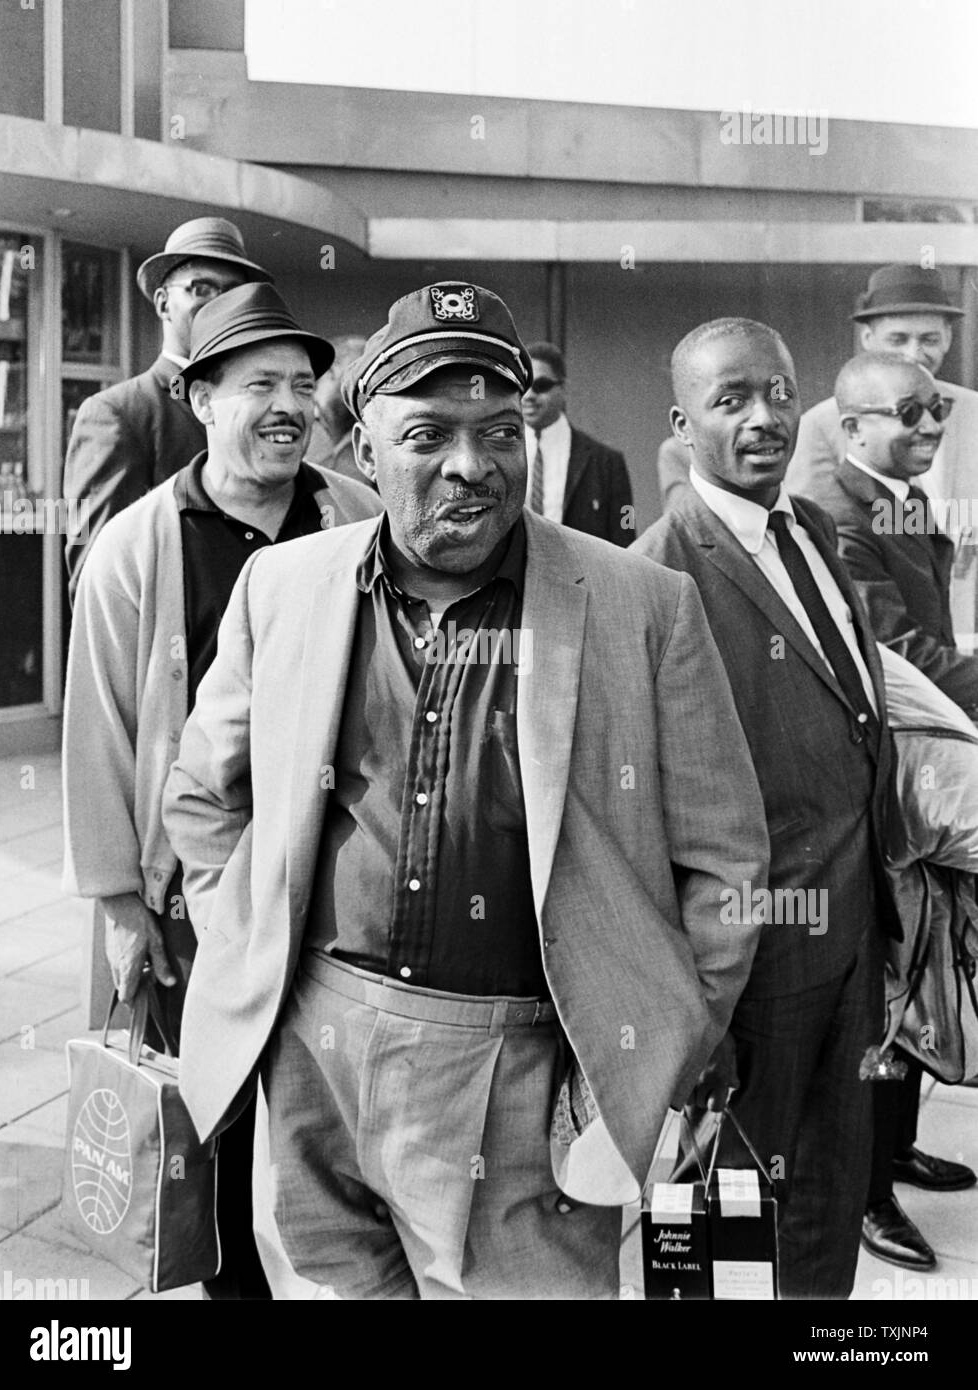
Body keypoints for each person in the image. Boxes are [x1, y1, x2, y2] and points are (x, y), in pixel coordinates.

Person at [162, 281, 769, 1300]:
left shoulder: (642, 604)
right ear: (362, 451)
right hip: (314, 1049)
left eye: (501, 430)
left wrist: (653, 1043)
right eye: (429, 434)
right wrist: (252, 946)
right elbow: (204, 795)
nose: (471, 465)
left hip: (527, 1067)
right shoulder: (284, 587)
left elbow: (726, 862)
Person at [61, 283, 383, 1300]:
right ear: (198, 396)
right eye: (257, 385)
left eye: (301, 383)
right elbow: (99, 731)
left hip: (337, 880)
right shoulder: (136, 546)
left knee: (328, 1119)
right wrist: (119, 903)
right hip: (197, 895)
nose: (286, 404)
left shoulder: (357, 516)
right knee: (222, 1125)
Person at [636, 317, 900, 1300]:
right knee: (710, 1216)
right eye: (730, 399)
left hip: (846, 934)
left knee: (827, 1197)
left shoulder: (813, 529)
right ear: (681, 421)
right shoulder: (662, 568)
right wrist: (688, 992)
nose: (764, 418)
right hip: (746, 957)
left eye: (779, 393)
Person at [802, 350, 977, 1270]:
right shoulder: (837, 508)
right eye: (906, 413)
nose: (927, 428)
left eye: (935, 412)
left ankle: (895, 1150)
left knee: (923, 961)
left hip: (922, 765)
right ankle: (866, 1194)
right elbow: (890, 650)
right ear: (852, 421)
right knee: (888, 987)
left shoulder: (897, 498)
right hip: (878, 781)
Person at [63, 217, 272, 602]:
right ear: (163, 302)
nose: (219, 305)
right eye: (202, 288)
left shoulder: (261, 407)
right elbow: (96, 578)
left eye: (233, 293)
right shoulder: (119, 413)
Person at [786, 264, 978, 644]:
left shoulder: (973, 413)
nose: (914, 354)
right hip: (886, 638)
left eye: (928, 339)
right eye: (898, 339)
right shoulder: (822, 425)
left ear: (949, 338)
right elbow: (818, 545)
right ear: (868, 339)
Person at [521, 340, 634, 545]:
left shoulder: (606, 461)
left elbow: (626, 529)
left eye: (541, 386)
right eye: (523, 385)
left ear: (563, 389)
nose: (529, 396)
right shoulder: (500, 452)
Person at [307, 334, 368, 485]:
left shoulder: (371, 436)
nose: (369, 385)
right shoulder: (297, 420)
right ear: (332, 371)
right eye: (361, 372)